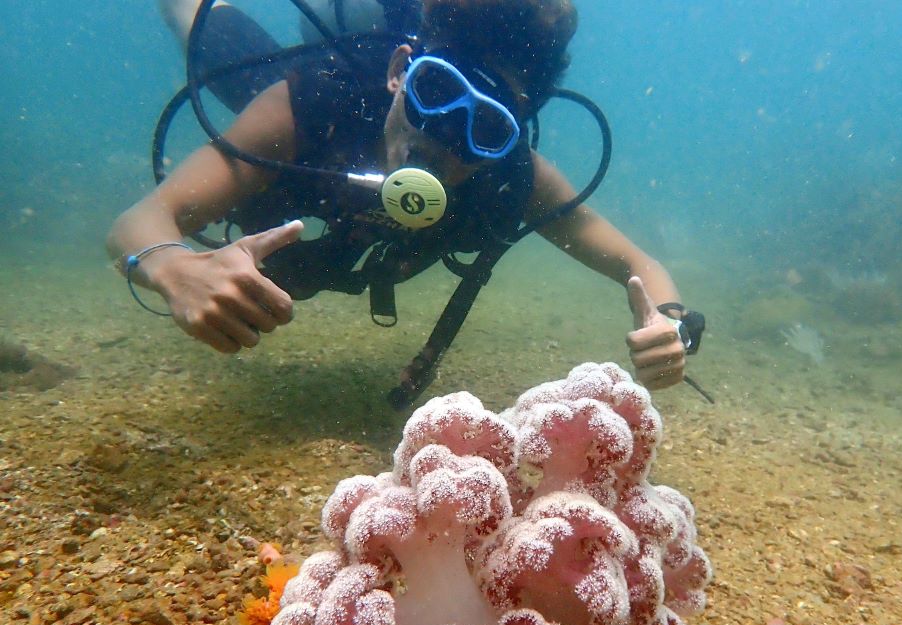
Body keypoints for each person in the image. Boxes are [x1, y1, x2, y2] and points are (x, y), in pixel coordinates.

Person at [109, 0, 701, 405]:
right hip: (322, 103)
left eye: (485, 127)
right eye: (436, 90)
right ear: (400, 71)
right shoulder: (311, 104)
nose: (441, 137)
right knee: (200, 25)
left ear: (507, 141)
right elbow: (138, 224)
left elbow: (641, 267)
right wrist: (173, 268)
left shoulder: (512, 174)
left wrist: (672, 325)